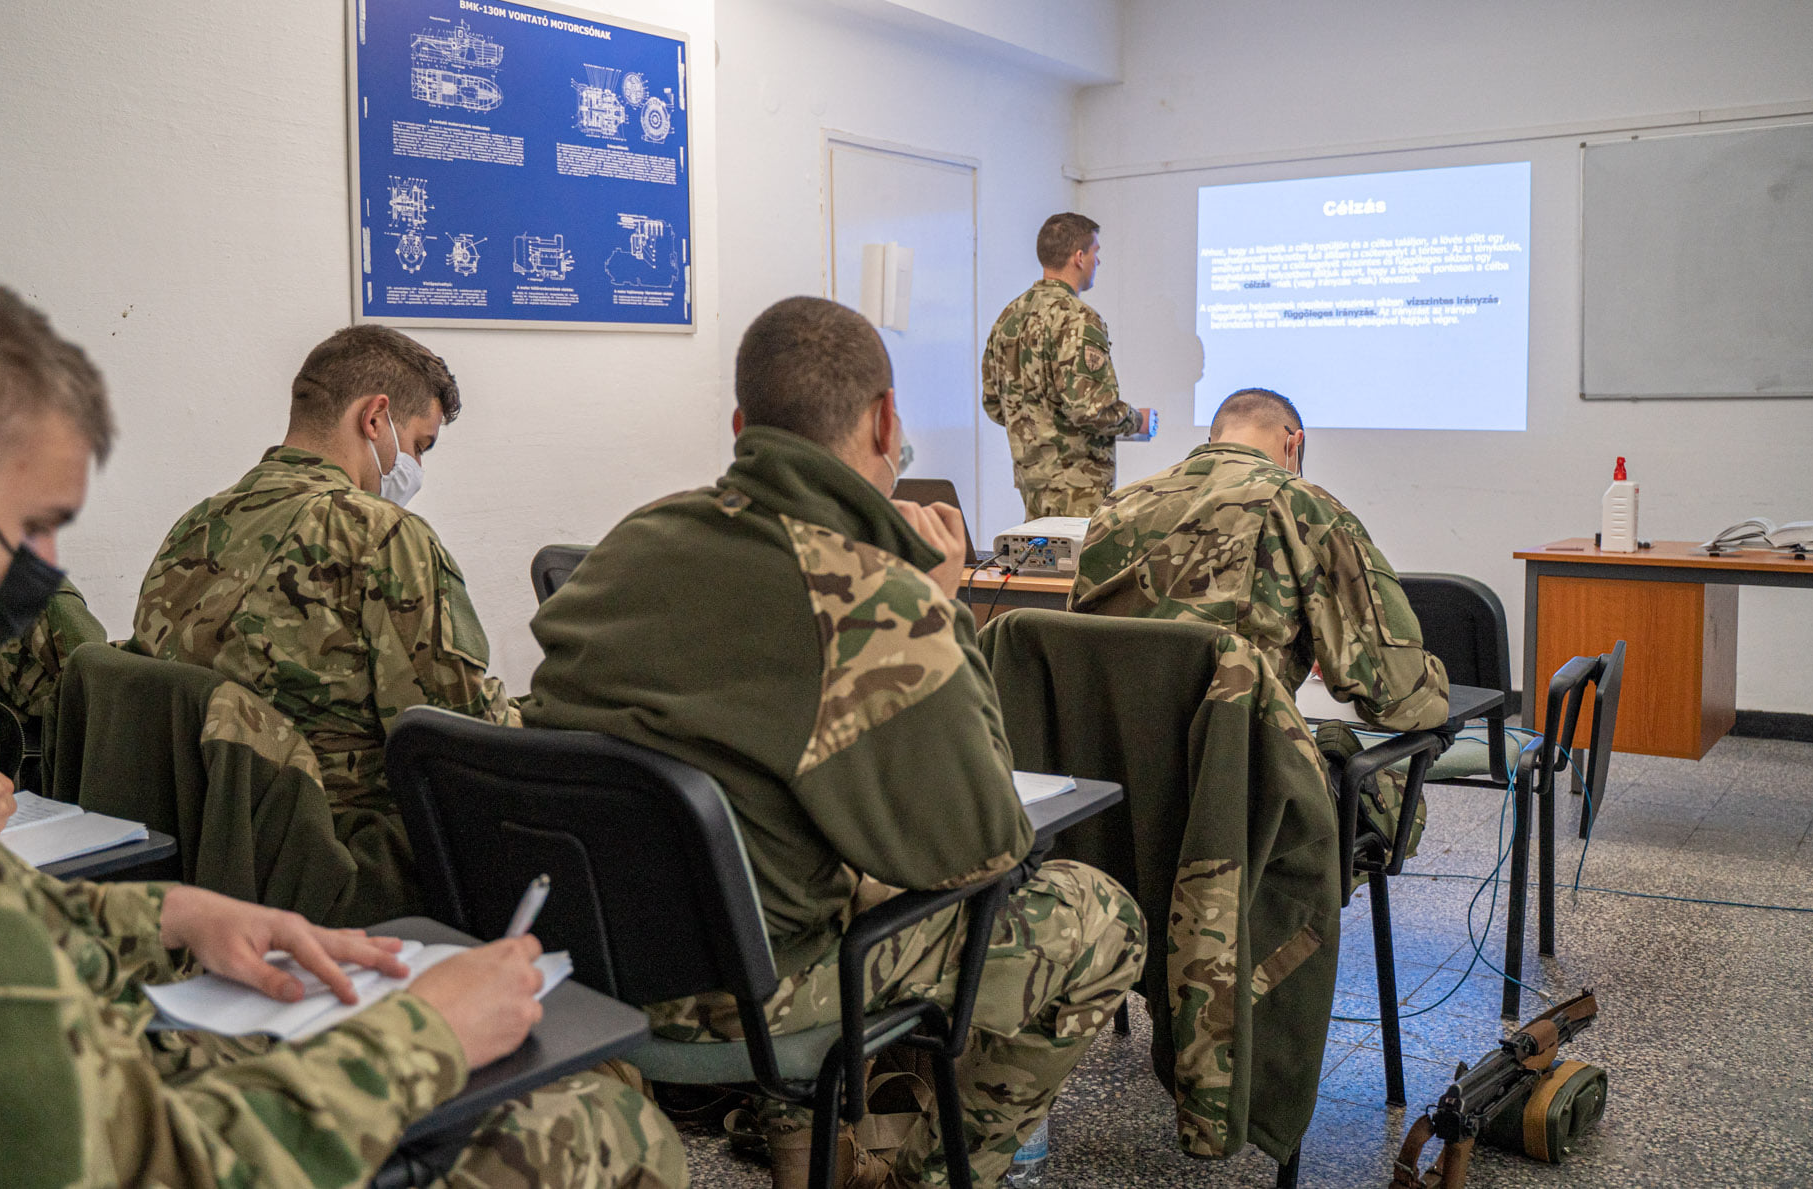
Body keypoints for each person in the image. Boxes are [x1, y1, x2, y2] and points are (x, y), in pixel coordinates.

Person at [0, 265, 683, 1189]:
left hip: (205, 909)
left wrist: (174, 915)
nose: (44, 566)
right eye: (33, 519)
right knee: (610, 1110)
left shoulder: (182, 532)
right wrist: (425, 1032)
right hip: (329, 883)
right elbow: (459, 734)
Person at [524, 295, 1144, 1189]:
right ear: (887, 421)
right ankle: (923, 1177)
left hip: (582, 960)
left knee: (807, 849)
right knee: (1099, 921)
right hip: (752, 988)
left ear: (740, 427)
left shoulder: (630, 543)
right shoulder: (869, 598)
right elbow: (983, 847)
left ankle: (809, 1147)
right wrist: (938, 607)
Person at [131, 324, 512, 851]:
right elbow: (459, 738)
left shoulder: (196, 524)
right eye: (419, 446)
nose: (417, 467)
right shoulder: (381, 535)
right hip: (349, 849)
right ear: (374, 419)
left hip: (214, 847)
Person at [1070, 386, 1448, 730]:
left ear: (1213, 440)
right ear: (1294, 444)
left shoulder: (1119, 504)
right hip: (1233, 760)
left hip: (1108, 758)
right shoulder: (1300, 503)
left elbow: (1080, 642)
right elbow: (1400, 696)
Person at [981, 212, 1149, 520]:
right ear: (1079, 257)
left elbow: (994, 404)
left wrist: (1037, 428)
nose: (1098, 261)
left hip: (1031, 482)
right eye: (1096, 252)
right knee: (1078, 554)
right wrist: (1137, 420)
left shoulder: (1008, 317)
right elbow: (1090, 409)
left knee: (1038, 554)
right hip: (1078, 487)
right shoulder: (1079, 319)